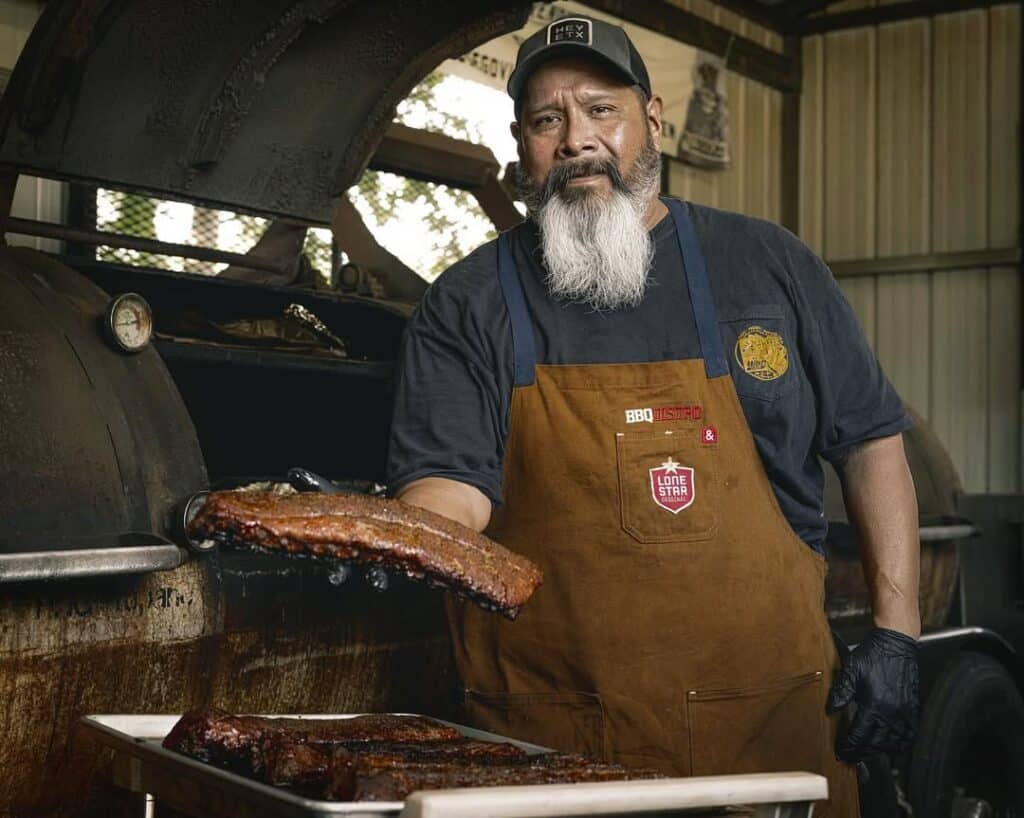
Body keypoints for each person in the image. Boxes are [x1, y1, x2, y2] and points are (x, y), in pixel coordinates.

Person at [386, 15, 920, 818]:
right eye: (547, 120)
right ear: (522, 144)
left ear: (654, 120)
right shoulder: (468, 302)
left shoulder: (768, 264)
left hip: (769, 738)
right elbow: (450, 488)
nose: (576, 139)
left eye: (602, 109)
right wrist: (393, 534)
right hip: (549, 751)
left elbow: (871, 442)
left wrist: (897, 631)